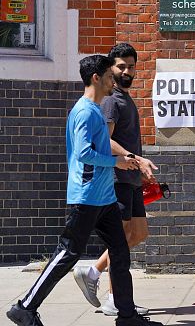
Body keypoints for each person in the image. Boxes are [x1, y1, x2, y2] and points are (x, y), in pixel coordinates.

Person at [5, 55, 162, 326]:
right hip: (87, 197)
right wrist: (117, 162)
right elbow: (84, 153)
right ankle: (25, 307)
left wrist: (124, 161)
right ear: (96, 78)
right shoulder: (85, 112)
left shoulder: (96, 110)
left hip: (105, 198)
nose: (114, 80)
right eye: (110, 76)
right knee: (67, 253)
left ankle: (126, 316)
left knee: (120, 253)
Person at [73, 43, 157, 316]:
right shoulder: (110, 100)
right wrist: (135, 159)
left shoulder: (125, 98)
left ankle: (93, 271)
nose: (127, 71)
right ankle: (113, 297)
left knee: (138, 233)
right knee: (120, 240)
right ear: (110, 68)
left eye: (131, 66)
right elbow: (105, 141)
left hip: (131, 179)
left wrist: (140, 170)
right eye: (121, 66)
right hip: (117, 178)